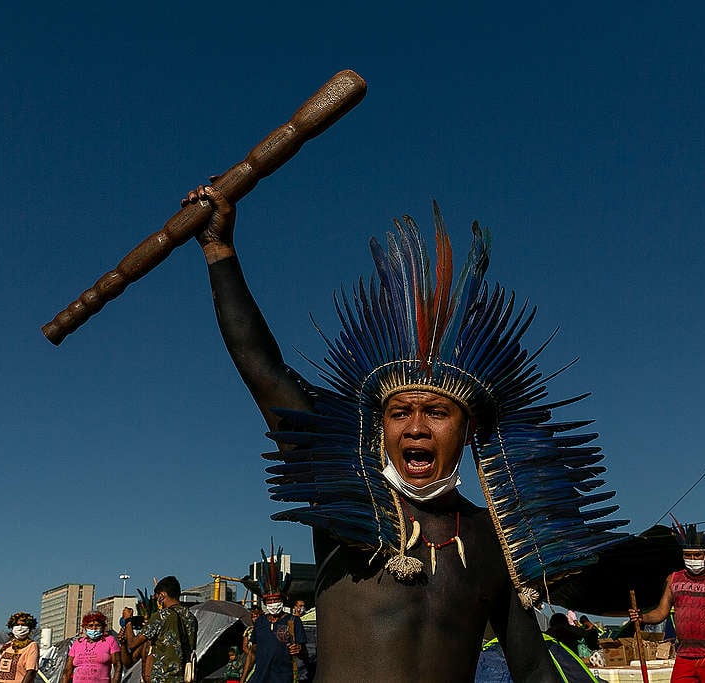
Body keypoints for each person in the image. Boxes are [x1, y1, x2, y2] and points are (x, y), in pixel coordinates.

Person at [184, 180, 624, 682]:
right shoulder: (346, 506)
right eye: (400, 413)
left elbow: (534, 671)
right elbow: (264, 369)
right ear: (382, 425)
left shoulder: (490, 541)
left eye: (436, 413)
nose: (415, 428)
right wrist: (220, 251)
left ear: (467, 428)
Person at [629, 526, 705, 683]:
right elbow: (661, 612)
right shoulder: (673, 579)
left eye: (697, 555)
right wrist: (642, 617)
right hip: (685, 655)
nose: (692, 559)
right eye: (687, 555)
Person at [241, 545, 307, 683]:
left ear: (282, 600)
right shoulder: (260, 622)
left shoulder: (293, 621)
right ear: (265, 603)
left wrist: (298, 649)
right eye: (269, 601)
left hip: (283, 679)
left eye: (276, 600)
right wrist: (243, 679)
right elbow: (252, 653)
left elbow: (303, 652)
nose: (273, 604)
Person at [123, 577, 197, 683]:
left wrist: (128, 620)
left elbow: (132, 644)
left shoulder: (161, 616)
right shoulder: (191, 617)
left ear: (162, 595)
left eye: (157, 597)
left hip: (163, 678)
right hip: (184, 677)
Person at [62, 612, 120, 683]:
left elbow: (117, 665)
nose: (94, 628)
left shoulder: (110, 640)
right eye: (90, 626)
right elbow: (67, 670)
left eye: (97, 625)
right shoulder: (77, 643)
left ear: (103, 627)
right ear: (85, 627)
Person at [0, 612, 39, 683]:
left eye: (23, 625)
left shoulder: (32, 646)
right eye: (17, 625)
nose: (20, 627)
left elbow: (31, 672)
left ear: (30, 628)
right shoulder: (7, 645)